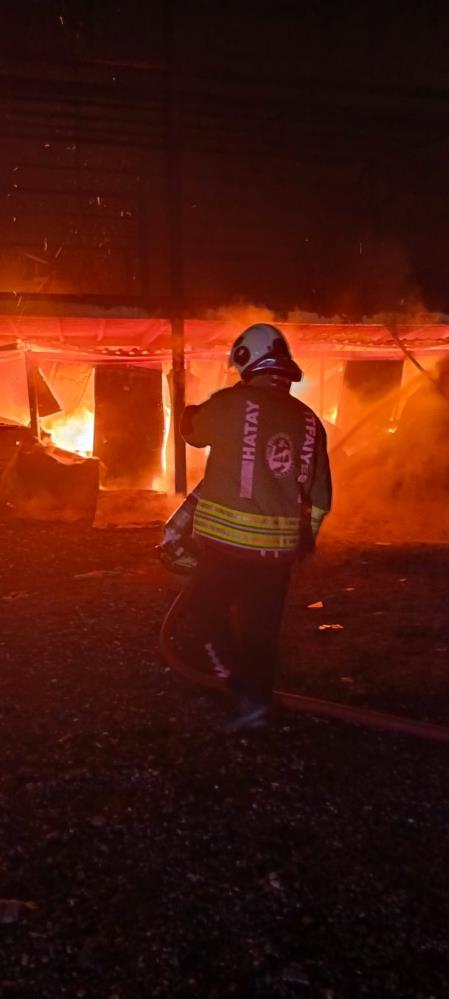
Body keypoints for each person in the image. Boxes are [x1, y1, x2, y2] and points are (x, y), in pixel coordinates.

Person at [180, 323, 332, 731]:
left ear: (247, 363)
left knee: (202, 616)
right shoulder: (310, 421)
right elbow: (320, 498)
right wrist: (305, 540)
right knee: (261, 630)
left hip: (229, 548)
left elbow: (191, 432)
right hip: (279, 553)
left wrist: (190, 407)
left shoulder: (232, 403)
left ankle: (242, 689)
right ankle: (257, 704)